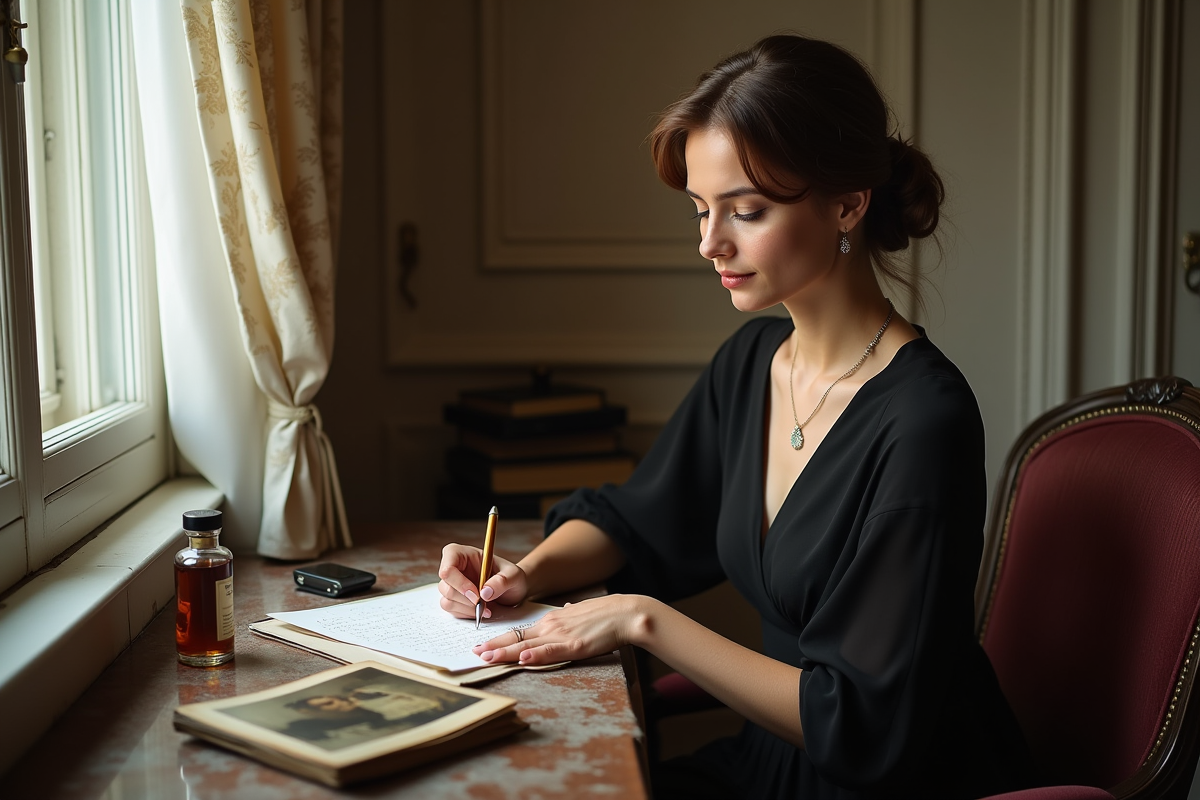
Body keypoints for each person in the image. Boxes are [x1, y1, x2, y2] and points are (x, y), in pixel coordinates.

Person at [438, 34, 1035, 799]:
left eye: (745, 211)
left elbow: (861, 724)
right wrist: (522, 573)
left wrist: (642, 622)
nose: (709, 242)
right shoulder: (753, 362)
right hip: (767, 763)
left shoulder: (924, 422)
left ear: (849, 202)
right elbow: (641, 521)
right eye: (699, 209)